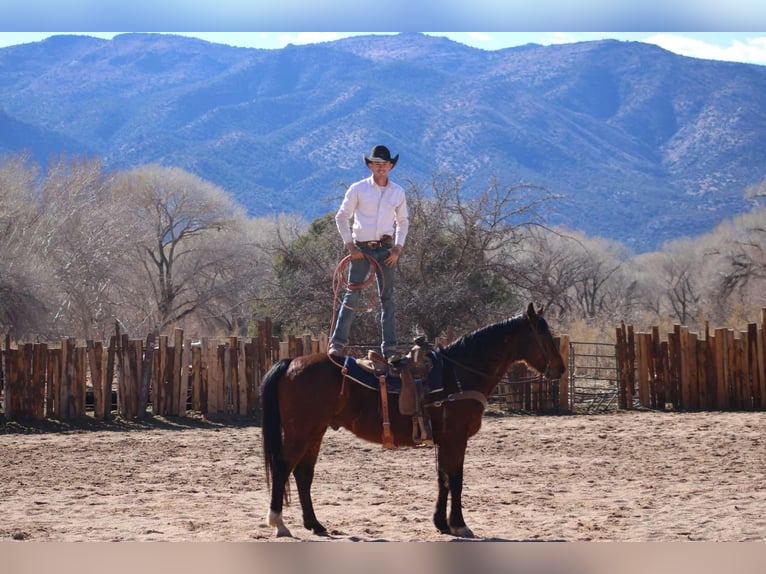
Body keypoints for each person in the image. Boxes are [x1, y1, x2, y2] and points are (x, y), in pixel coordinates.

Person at [328, 145, 409, 360]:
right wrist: (351, 247)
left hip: (386, 250)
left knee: (388, 299)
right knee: (351, 294)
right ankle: (337, 343)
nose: (381, 167)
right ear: (370, 165)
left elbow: (402, 221)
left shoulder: (397, 192)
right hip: (361, 250)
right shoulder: (358, 189)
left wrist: (398, 249)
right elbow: (341, 216)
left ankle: (390, 349)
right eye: (377, 164)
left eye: (384, 164)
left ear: (390, 166)